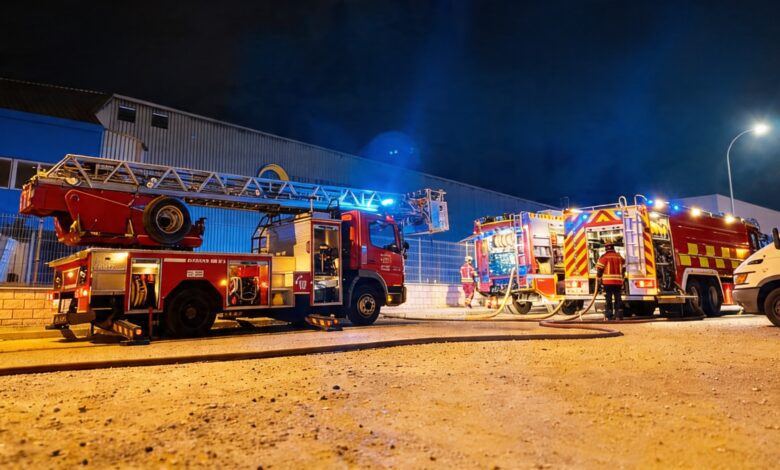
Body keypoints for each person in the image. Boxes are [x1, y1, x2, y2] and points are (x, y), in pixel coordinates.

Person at [596, 243, 625, 320]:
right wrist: (623, 277)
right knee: (618, 298)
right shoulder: (619, 257)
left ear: (606, 249)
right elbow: (624, 267)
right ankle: (619, 315)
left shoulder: (604, 257)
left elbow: (600, 269)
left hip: (607, 283)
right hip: (618, 282)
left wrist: (598, 277)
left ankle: (609, 315)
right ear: (613, 248)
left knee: (608, 299)